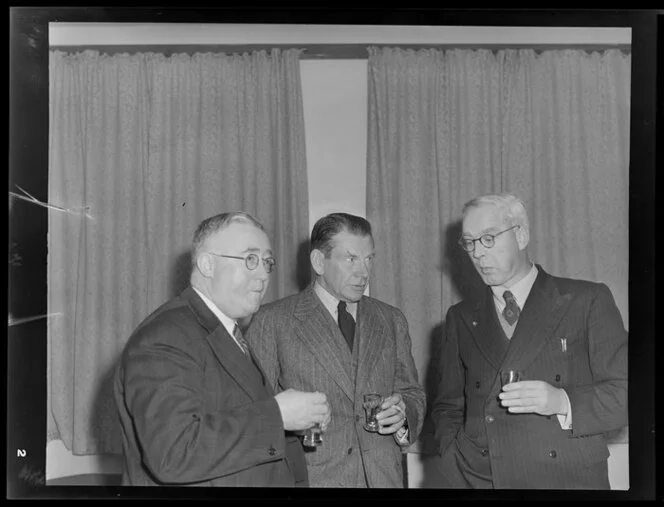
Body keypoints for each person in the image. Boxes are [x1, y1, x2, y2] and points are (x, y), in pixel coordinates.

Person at [114, 211, 331, 487]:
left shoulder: (226, 331)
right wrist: (277, 415)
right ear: (207, 264)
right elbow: (173, 453)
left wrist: (295, 421)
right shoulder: (165, 336)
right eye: (250, 259)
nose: (264, 274)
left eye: (267, 262)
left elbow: (229, 420)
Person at [430, 193, 628, 489]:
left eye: (488, 238)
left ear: (521, 235)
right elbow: (448, 406)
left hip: (566, 480)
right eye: (469, 242)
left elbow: (628, 395)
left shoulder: (586, 301)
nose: (477, 253)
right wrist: (452, 455)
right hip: (479, 479)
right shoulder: (460, 317)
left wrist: (562, 401)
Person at [245, 212, 426, 488]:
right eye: (351, 259)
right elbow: (255, 415)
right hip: (311, 481)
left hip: (384, 480)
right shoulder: (272, 321)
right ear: (319, 261)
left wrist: (403, 415)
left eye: (368, 259)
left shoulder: (391, 319)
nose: (363, 272)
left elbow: (412, 393)